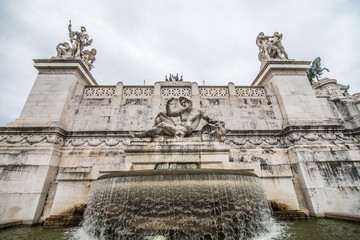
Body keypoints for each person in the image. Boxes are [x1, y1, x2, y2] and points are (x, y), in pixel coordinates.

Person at [132, 97, 217, 138]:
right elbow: (169, 114)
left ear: (189, 103)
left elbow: (210, 119)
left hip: (184, 130)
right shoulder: (182, 111)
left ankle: (144, 134)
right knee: (160, 114)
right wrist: (168, 104)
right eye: (182, 104)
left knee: (162, 124)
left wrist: (218, 123)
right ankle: (152, 132)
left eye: (185, 103)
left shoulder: (198, 112)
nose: (183, 105)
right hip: (176, 127)